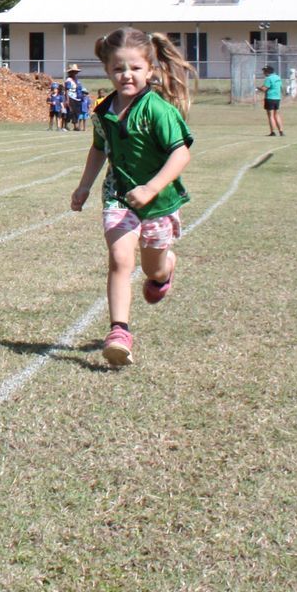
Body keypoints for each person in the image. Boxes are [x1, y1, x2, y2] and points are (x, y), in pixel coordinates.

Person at [68, 26, 194, 368]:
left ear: (150, 70)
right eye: (119, 68)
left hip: (159, 202)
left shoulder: (158, 110)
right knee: (120, 260)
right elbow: (98, 149)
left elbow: (180, 154)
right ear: (108, 70)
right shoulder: (103, 111)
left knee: (151, 269)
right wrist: (84, 186)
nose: (127, 75)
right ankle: (119, 332)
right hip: (118, 198)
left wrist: (151, 188)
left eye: (135, 68)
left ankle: (164, 272)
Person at [257, 64, 285, 136]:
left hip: (270, 98)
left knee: (270, 115)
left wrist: (258, 88)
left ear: (267, 72)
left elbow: (264, 88)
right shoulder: (278, 77)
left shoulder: (268, 78)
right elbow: (281, 87)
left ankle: (273, 132)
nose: (263, 73)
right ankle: (281, 131)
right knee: (276, 114)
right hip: (277, 98)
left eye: (264, 71)